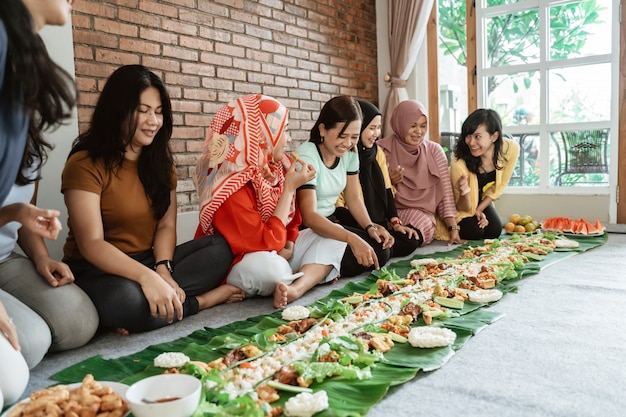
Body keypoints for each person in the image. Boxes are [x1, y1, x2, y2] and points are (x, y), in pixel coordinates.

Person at [61, 65, 242, 335]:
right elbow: (92, 244)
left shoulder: (159, 162)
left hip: (151, 260)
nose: (153, 121)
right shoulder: (84, 163)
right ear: (118, 109)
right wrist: (146, 277)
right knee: (129, 300)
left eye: (158, 113)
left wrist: (163, 270)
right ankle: (198, 302)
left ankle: (157, 306)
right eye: (143, 111)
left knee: (220, 248)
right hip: (99, 270)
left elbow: (166, 226)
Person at [0, 0, 95, 406]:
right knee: (25, 354)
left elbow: (17, 216)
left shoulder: (20, 65)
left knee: (79, 323)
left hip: (6, 256)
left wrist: (37, 248)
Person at [194, 94, 347, 309]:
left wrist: (291, 244)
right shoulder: (231, 184)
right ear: (262, 137)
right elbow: (266, 242)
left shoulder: (276, 167)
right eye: (283, 131)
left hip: (277, 248)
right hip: (241, 260)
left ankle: (296, 288)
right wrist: (289, 189)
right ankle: (285, 278)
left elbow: (293, 221)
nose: (288, 139)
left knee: (336, 235)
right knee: (271, 270)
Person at [295, 95, 394, 278]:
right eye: (342, 136)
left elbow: (354, 198)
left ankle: (326, 267)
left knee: (380, 250)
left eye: (354, 137)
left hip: (331, 223)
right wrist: (351, 237)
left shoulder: (350, 153)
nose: (348, 144)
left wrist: (370, 227)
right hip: (306, 229)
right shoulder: (307, 156)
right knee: (356, 250)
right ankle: (321, 268)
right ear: (323, 129)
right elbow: (309, 216)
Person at [334, 100, 422, 257]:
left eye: (379, 128)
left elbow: (387, 189)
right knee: (380, 249)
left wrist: (395, 223)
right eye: (372, 128)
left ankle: (384, 244)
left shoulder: (377, 152)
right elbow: (340, 207)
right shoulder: (344, 155)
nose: (377, 133)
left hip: (379, 224)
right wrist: (369, 226)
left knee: (412, 237)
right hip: (355, 224)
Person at [378, 99, 463, 246]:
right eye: (412, 126)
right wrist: (388, 182)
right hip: (387, 215)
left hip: (421, 216)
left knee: (413, 233)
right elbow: (369, 194)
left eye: (423, 126)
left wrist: (453, 228)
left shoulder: (434, 151)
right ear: (400, 124)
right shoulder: (381, 150)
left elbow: (445, 194)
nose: (419, 131)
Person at [450, 108, 520, 240]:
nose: (471, 142)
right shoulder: (459, 162)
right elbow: (461, 207)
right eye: (468, 135)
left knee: (494, 230)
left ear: (494, 136)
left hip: (480, 200)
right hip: (459, 205)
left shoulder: (510, 149)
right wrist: (464, 193)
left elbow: (500, 186)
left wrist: (479, 209)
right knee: (475, 232)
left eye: (477, 137)